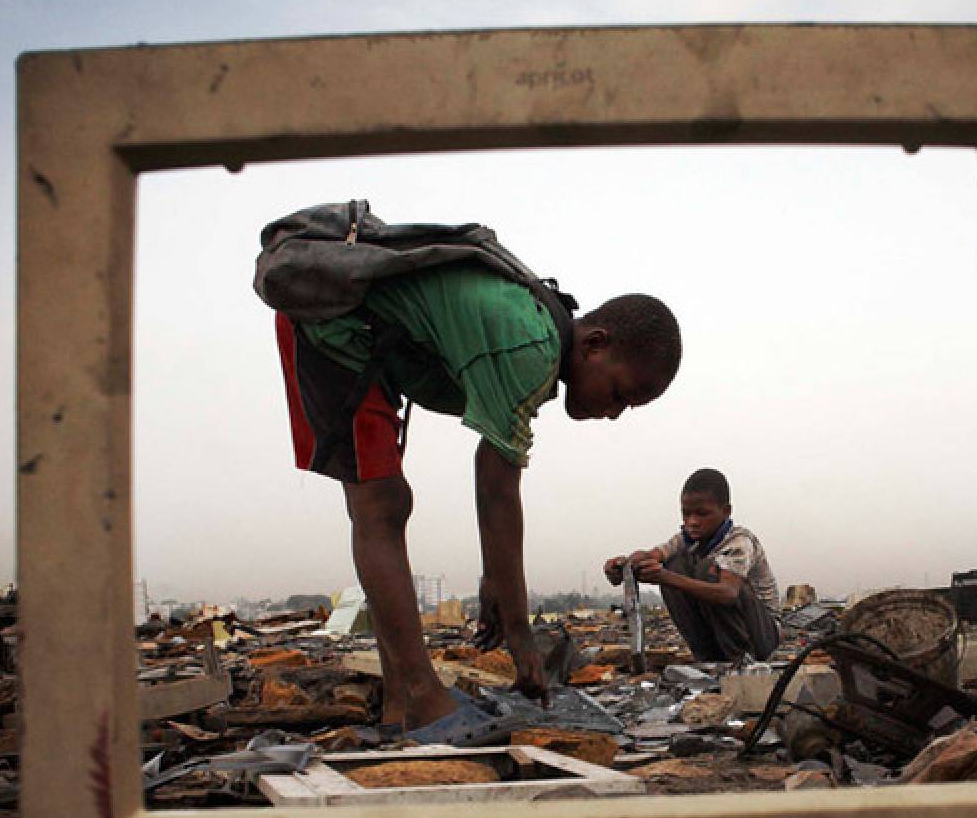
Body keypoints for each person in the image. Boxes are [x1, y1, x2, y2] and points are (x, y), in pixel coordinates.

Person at [276, 260, 681, 737]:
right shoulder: (531, 346)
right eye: (619, 394)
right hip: (335, 329)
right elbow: (496, 490)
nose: (613, 413)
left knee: (386, 502)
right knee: (381, 506)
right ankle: (423, 700)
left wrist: (496, 579)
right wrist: (519, 633)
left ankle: (399, 704)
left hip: (365, 342)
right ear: (594, 344)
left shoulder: (537, 336)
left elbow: (494, 488)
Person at [605, 468, 780, 662]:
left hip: (763, 636)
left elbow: (728, 593)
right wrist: (625, 566)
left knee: (707, 571)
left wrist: (665, 577)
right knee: (674, 563)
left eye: (702, 514)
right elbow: (653, 555)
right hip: (722, 634)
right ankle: (707, 657)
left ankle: (742, 658)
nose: (692, 522)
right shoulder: (688, 539)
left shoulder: (739, 541)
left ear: (726, 511)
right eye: (686, 514)